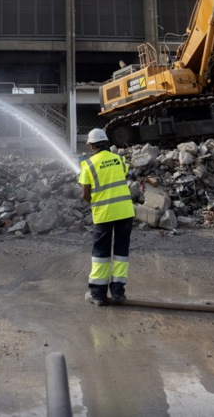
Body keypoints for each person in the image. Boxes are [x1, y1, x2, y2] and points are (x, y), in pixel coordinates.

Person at [77, 128, 135, 306]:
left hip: (104, 214)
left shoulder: (88, 164)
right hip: (125, 212)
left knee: (101, 254)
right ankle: (118, 293)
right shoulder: (119, 160)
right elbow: (125, 173)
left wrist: (94, 203)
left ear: (92, 146)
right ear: (107, 143)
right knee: (121, 253)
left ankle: (98, 295)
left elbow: (85, 194)